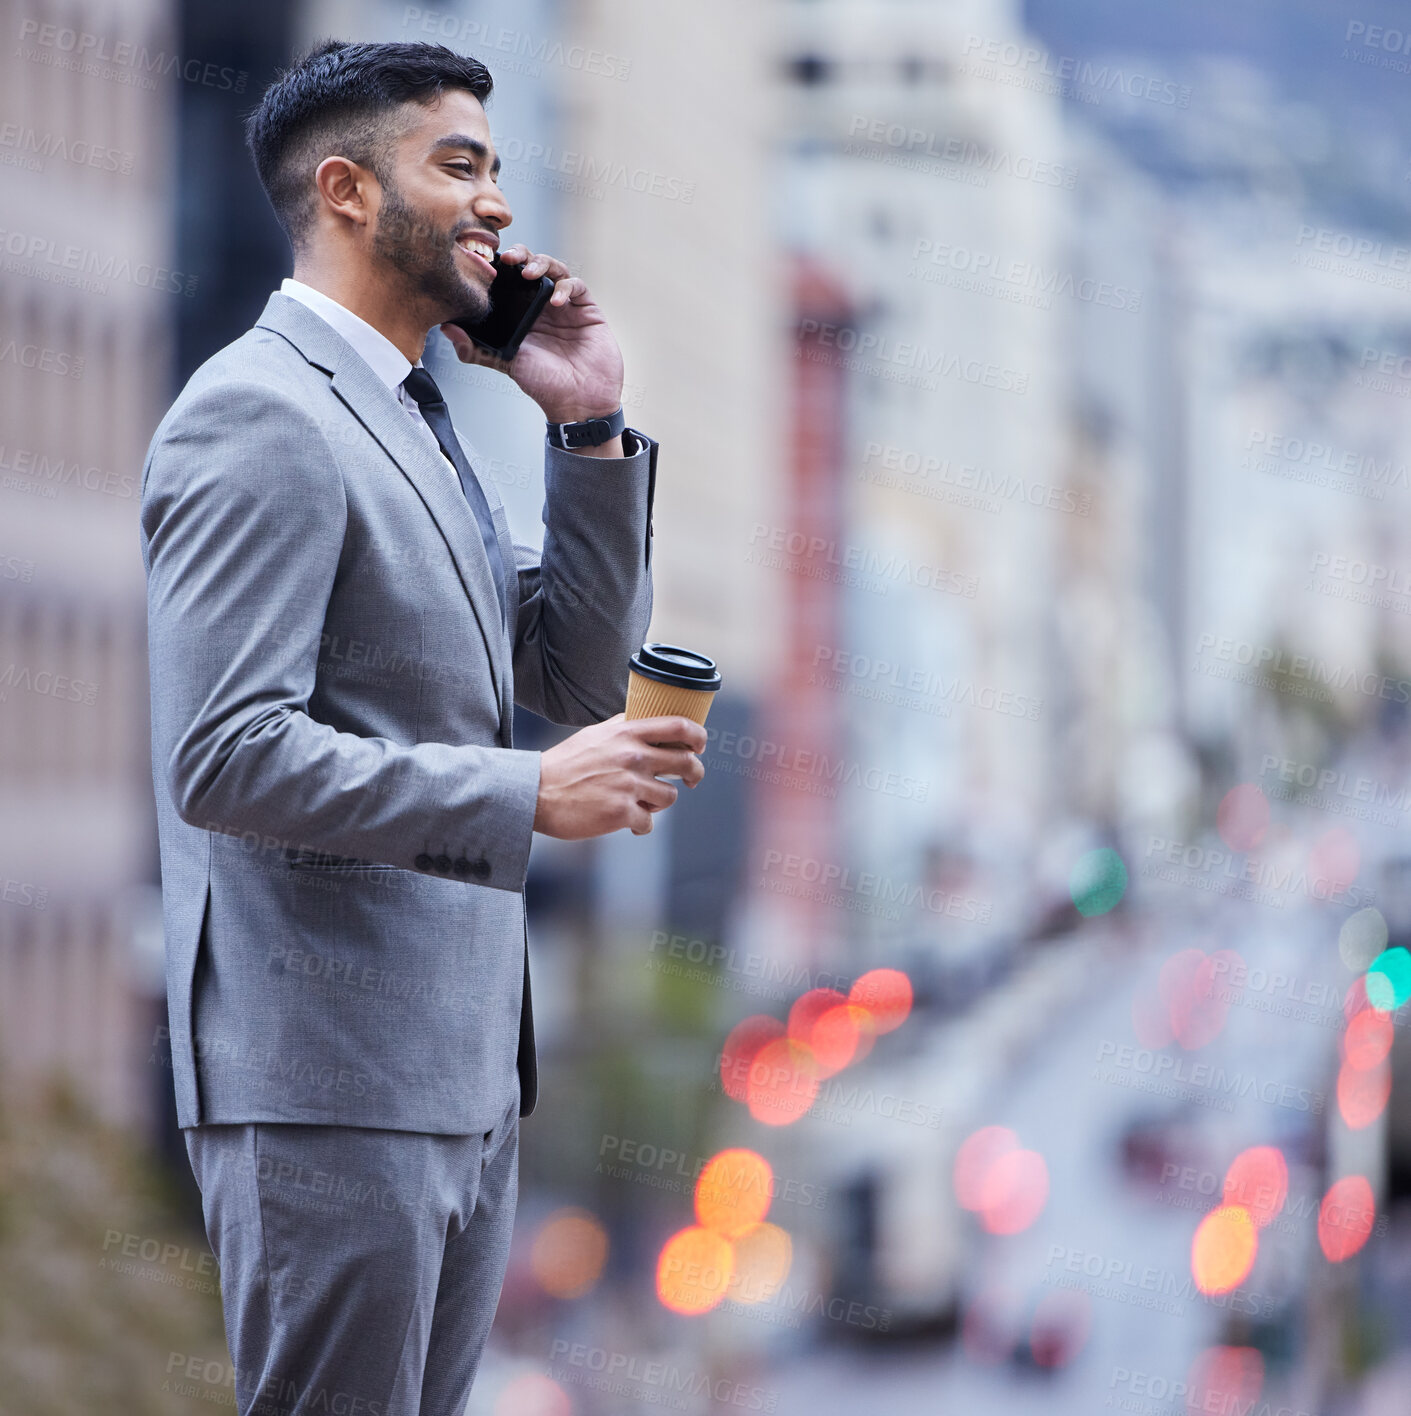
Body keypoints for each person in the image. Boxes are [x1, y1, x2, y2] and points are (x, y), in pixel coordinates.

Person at [139, 37, 705, 1416]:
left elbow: (566, 675)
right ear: (344, 190)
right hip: (327, 1082)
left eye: (499, 169)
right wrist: (525, 796)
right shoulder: (258, 416)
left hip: (456, 1074)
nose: (497, 204)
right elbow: (223, 754)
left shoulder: (422, 421)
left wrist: (587, 424)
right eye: (459, 164)